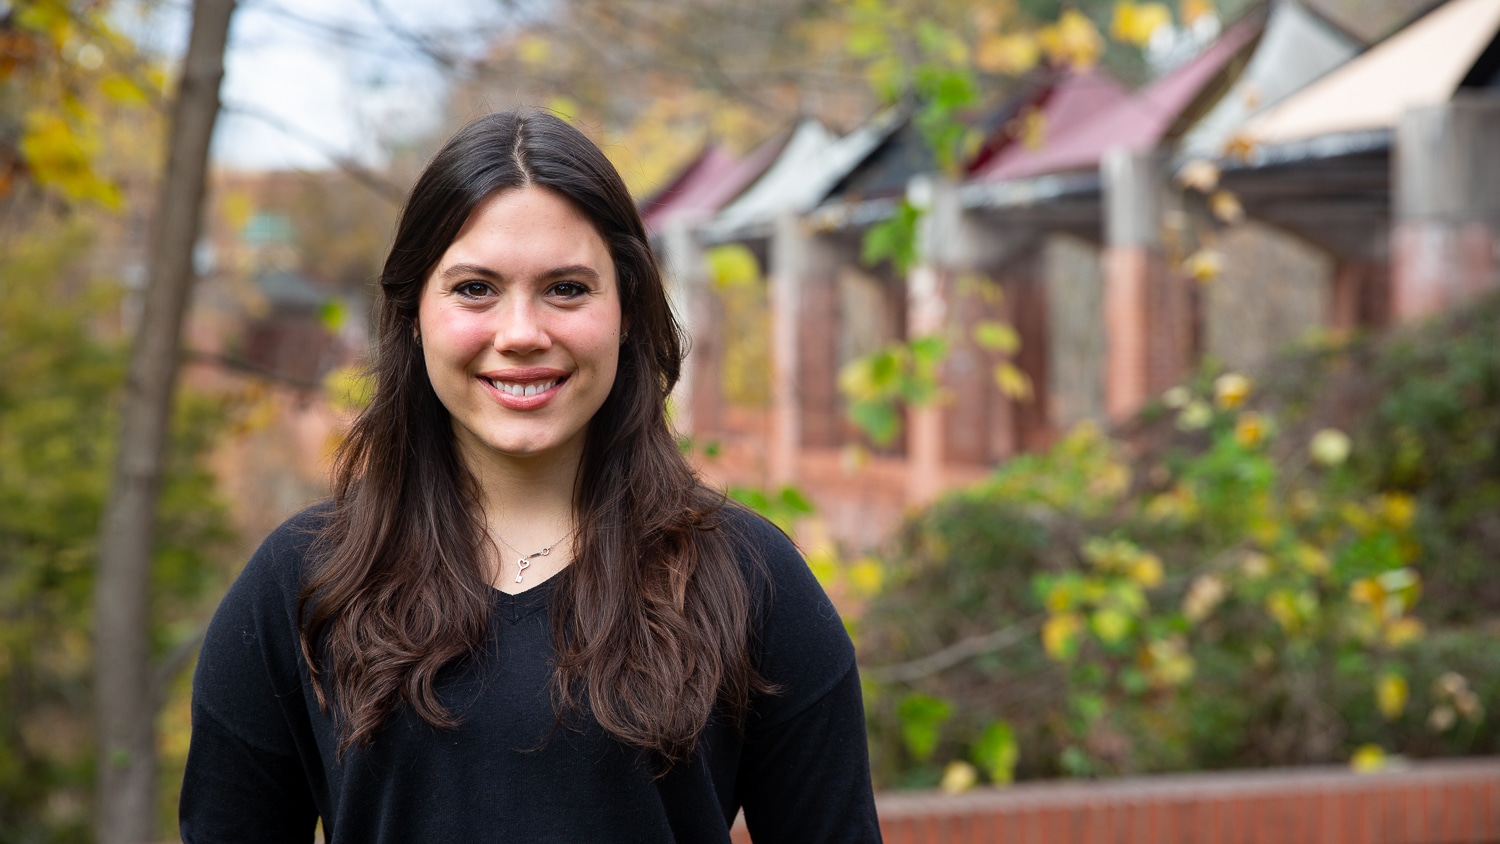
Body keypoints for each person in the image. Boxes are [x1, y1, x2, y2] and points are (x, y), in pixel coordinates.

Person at [179, 110, 882, 843]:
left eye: (567, 289)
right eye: (475, 288)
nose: (520, 334)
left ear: (630, 312)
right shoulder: (302, 585)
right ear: (413, 313)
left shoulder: (751, 580)